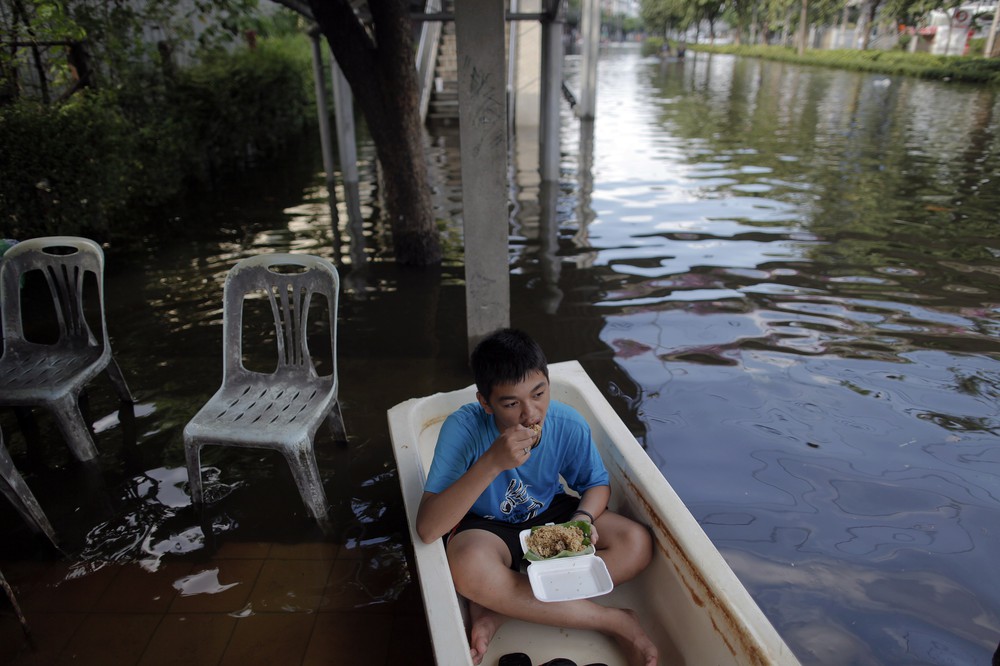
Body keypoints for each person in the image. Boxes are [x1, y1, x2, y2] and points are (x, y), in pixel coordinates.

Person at [416, 328, 658, 666]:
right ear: (485, 402)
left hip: (551, 515)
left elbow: (596, 485)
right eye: (511, 403)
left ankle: (500, 609)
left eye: (539, 393)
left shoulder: (566, 423)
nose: (531, 414)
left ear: (548, 381)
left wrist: (582, 520)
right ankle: (614, 620)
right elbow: (428, 528)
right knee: (468, 567)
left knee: (637, 543)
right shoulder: (464, 429)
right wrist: (491, 463)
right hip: (487, 526)